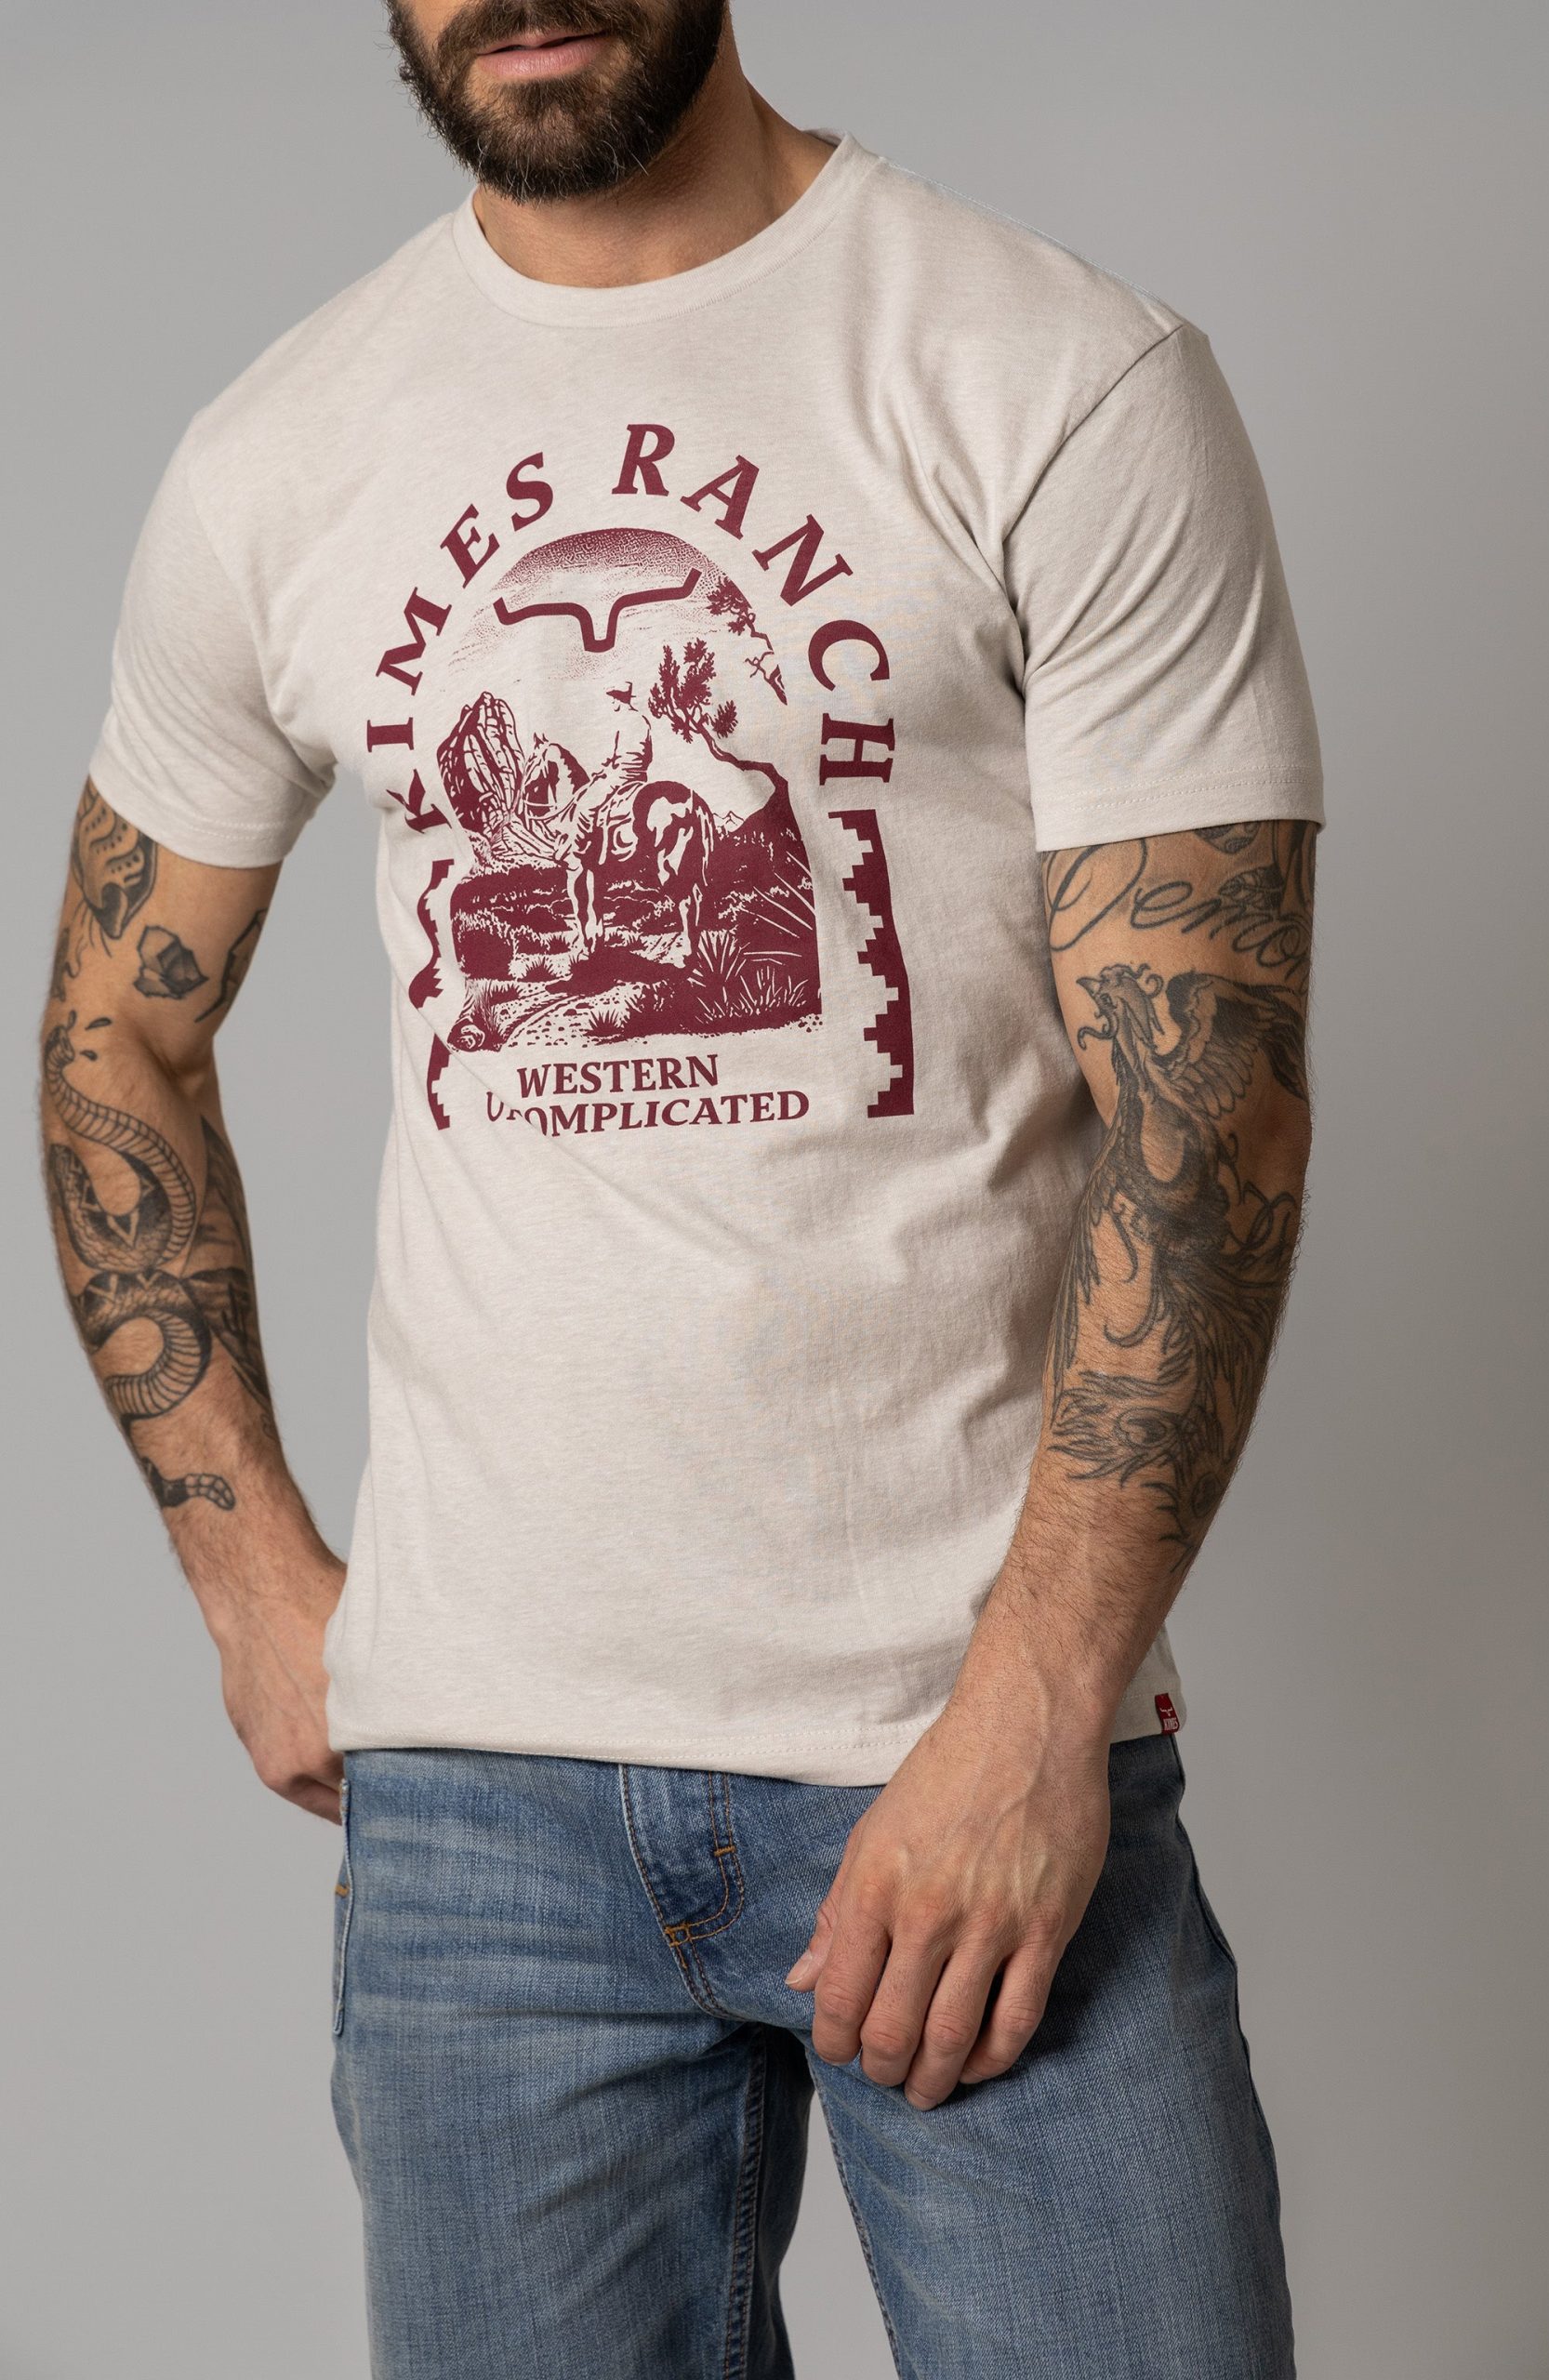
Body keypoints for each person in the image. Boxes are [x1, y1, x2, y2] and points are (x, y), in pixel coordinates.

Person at [41, 3, 1322, 2373]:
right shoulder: (281, 452)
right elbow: (115, 1022)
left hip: (964, 1740)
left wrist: (1039, 1702)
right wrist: (248, 1572)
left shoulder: (1051, 374)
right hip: (483, 1824)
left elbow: (1208, 1098)